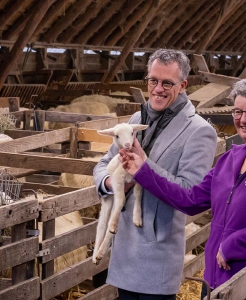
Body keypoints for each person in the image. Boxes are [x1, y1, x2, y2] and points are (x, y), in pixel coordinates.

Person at [120, 77, 246, 299]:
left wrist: (235, 242)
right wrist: (143, 170)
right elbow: (190, 201)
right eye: (237, 112)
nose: (243, 120)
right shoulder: (230, 158)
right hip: (213, 282)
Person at [93, 49, 217, 299]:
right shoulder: (136, 118)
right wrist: (112, 183)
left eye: (167, 83)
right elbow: (103, 164)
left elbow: (190, 192)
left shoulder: (199, 131)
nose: (158, 89)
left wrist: (143, 170)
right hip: (124, 248)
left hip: (156, 253)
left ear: (183, 85)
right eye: (153, 80)